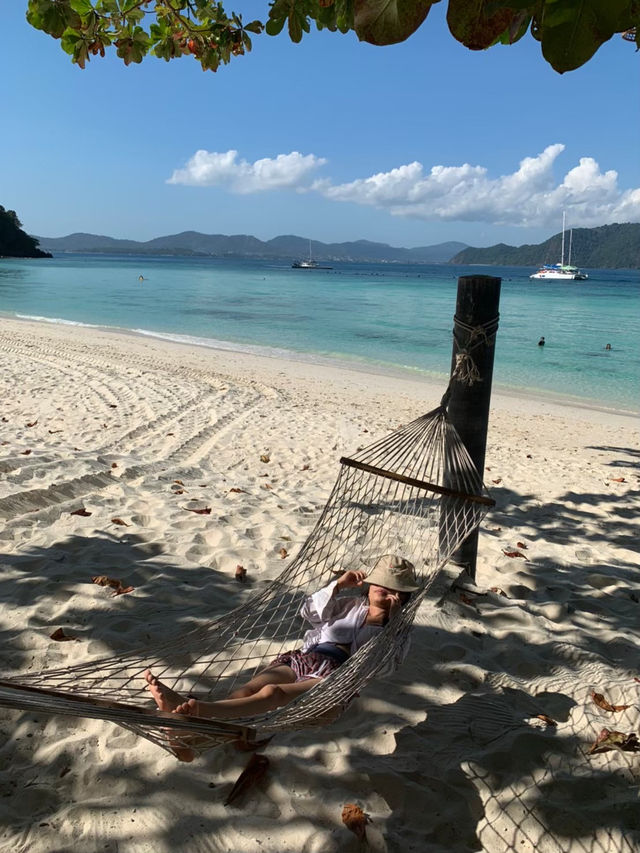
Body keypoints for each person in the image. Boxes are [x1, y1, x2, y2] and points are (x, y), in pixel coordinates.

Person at [145, 554, 418, 759]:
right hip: (306, 657)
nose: (385, 588)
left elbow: (382, 666)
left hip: (335, 679)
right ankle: (192, 741)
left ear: (404, 598)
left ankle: (196, 712)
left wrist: (392, 624)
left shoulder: (396, 632)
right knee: (246, 691)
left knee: (272, 694)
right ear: (369, 585)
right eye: (380, 582)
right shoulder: (350, 605)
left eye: (395, 588)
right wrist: (337, 585)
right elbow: (309, 612)